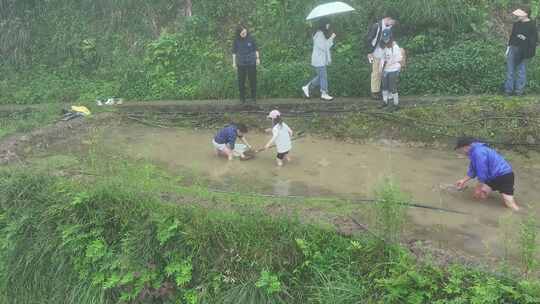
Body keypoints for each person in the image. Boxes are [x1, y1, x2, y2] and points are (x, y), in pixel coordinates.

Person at [454, 137, 520, 211]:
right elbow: (473, 170)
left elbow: (482, 172)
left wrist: (478, 188)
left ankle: (521, 214)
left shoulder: (478, 152)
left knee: (509, 204)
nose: (461, 152)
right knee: (481, 195)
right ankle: (480, 212)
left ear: (465, 147)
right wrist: (463, 180)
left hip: (504, 175)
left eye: (460, 150)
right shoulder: (473, 152)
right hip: (493, 177)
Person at [504, 8, 537, 96]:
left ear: (525, 14)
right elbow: (512, 37)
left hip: (524, 50)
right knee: (510, 70)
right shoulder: (516, 24)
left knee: (521, 71)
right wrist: (508, 49)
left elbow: (535, 40)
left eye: (519, 14)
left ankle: (519, 91)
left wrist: (525, 38)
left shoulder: (532, 25)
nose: (517, 16)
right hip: (513, 49)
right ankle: (508, 91)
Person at [302, 18, 336, 101]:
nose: (328, 26)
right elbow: (324, 47)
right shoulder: (319, 34)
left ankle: (307, 87)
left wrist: (331, 38)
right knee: (323, 76)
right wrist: (332, 38)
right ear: (324, 25)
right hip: (319, 60)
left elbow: (325, 46)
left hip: (320, 59)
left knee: (320, 77)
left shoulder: (321, 34)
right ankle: (324, 93)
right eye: (327, 24)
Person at [365, 16, 396, 100]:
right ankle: (374, 92)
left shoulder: (389, 27)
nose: (393, 24)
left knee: (384, 73)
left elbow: (390, 39)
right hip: (375, 52)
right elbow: (368, 38)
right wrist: (369, 52)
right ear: (388, 18)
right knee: (376, 72)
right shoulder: (376, 26)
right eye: (392, 22)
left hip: (385, 53)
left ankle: (382, 91)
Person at [232, 25, 260, 103]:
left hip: (251, 61)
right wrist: (234, 63)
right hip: (241, 63)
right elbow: (234, 52)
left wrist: (257, 58)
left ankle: (253, 98)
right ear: (239, 34)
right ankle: (242, 99)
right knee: (241, 81)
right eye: (242, 33)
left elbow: (256, 49)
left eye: (245, 32)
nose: (244, 34)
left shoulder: (251, 38)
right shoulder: (236, 40)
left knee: (253, 80)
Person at [379, 29, 402, 110]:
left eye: (387, 37)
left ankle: (396, 104)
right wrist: (381, 68)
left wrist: (390, 62)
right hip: (385, 69)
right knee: (384, 86)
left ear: (390, 37)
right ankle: (385, 102)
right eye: (384, 37)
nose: (385, 39)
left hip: (394, 69)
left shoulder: (395, 47)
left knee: (392, 87)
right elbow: (382, 58)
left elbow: (399, 58)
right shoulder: (382, 46)